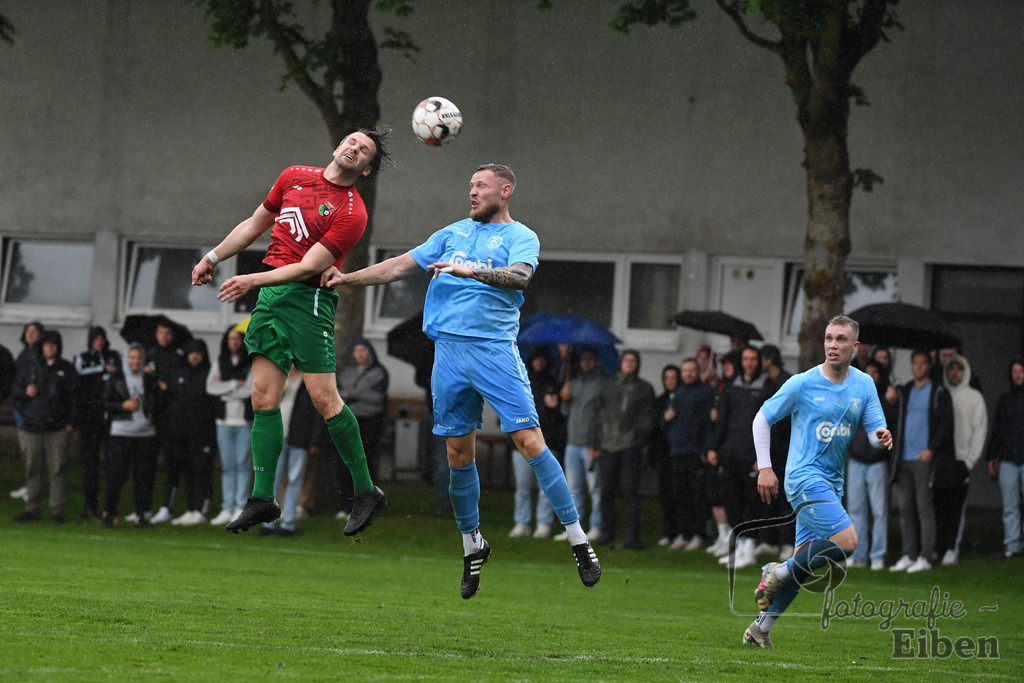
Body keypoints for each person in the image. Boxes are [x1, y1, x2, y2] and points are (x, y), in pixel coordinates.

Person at [327, 163, 601, 598]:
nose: (472, 192)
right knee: (457, 451)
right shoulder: (451, 233)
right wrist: (347, 278)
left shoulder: (520, 237)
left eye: (481, 185)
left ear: (505, 190)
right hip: (448, 353)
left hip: (493, 350)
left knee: (530, 441)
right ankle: (472, 545)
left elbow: (519, 278)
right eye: (470, 185)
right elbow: (399, 265)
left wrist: (469, 272)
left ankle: (578, 540)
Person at [190, 128, 391, 536]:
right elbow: (254, 224)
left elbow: (307, 267)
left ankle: (366, 491)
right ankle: (263, 498)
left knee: (324, 399)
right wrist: (213, 256)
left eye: (364, 151)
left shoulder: (352, 211)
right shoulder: (294, 175)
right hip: (269, 296)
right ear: (338, 146)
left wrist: (250, 280)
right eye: (352, 141)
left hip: (307, 300)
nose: (354, 148)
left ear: (367, 170)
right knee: (263, 397)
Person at [744, 315, 892, 649]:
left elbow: (872, 432)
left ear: (855, 347)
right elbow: (762, 419)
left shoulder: (864, 384)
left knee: (805, 567)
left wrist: (880, 436)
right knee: (848, 542)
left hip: (831, 484)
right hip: (803, 478)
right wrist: (766, 468)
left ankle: (759, 629)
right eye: (828, 338)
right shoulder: (803, 383)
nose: (832, 345)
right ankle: (775, 571)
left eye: (841, 339)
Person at [889, 349, 954, 574]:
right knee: (906, 508)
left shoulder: (938, 391)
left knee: (924, 508)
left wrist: (931, 450)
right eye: (915, 363)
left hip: (923, 459)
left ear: (928, 366)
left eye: (922, 363)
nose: (918, 367)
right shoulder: (905, 390)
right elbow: (893, 417)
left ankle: (926, 556)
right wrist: (890, 398)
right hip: (903, 458)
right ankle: (909, 554)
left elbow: (946, 425)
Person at [708, 345, 767, 569]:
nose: (749, 363)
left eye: (753, 359)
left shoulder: (767, 389)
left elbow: (772, 425)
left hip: (753, 454)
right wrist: (714, 447)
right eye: (746, 359)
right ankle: (739, 546)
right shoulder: (731, 388)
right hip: (731, 453)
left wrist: (763, 456)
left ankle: (750, 547)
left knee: (751, 502)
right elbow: (722, 420)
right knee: (732, 499)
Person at [590, 350, 656, 550]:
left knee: (630, 492)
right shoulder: (608, 386)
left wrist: (638, 435)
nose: (629, 364)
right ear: (620, 363)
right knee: (606, 491)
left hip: (631, 447)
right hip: (608, 445)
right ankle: (606, 533)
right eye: (626, 360)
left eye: (633, 361)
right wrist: (595, 442)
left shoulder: (644, 388)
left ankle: (631, 537)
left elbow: (649, 417)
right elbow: (597, 415)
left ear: (638, 364)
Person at [12, 330, 78, 524]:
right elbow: (15, 391)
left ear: (59, 347)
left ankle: (57, 510)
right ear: (42, 346)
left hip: (57, 429)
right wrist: (25, 392)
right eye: (47, 344)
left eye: (54, 344)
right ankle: (32, 509)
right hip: (32, 427)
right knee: (33, 469)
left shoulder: (66, 369)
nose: (50, 347)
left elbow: (74, 398)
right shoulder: (30, 366)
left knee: (57, 470)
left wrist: (71, 424)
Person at [101, 344, 160, 529]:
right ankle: (108, 513)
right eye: (132, 357)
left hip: (146, 432)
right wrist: (122, 406)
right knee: (117, 473)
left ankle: (140, 516)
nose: (135, 361)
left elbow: (158, 402)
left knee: (144, 476)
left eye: (138, 358)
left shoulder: (149, 379)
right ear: (127, 359)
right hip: (121, 431)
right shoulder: (116, 377)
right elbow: (105, 402)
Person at [845, 360, 896, 570]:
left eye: (875, 372)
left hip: (877, 462)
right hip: (856, 460)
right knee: (855, 510)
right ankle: (858, 555)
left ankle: (877, 555)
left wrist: (891, 404)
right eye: (868, 372)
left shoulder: (887, 401)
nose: (871, 376)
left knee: (879, 511)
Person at [936, 354, 987, 566]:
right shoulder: (941, 394)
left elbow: (980, 430)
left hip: (961, 461)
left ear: (964, 372)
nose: (953, 373)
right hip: (942, 460)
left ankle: (951, 549)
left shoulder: (975, 398)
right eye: (950, 369)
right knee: (940, 507)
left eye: (958, 369)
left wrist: (970, 461)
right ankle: (939, 547)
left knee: (957, 508)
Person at [163, 339, 219, 526]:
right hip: (181, 434)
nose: (194, 356)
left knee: (202, 471)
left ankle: (202, 509)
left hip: (203, 433)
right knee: (187, 471)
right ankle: (191, 508)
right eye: (191, 352)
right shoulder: (180, 373)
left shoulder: (210, 374)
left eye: (198, 353)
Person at [660, 358, 714, 550]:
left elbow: (709, 425)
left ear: (698, 372)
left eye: (692, 370)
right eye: (685, 371)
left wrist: (705, 448)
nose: (688, 374)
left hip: (696, 452)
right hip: (678, 452)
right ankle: (684, 533)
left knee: (697, 496)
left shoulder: (706, 393)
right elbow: (664, 424)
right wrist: (666, 418)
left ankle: (699, 535)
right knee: (679, 495)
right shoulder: (677, 394)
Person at [336, 338, 390, 520]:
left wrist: (351, 393)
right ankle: (346, 504)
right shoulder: (346, 372)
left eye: (363, 350)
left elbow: (377, 398)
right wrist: (357, 395)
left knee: (367, 463)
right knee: (347, 463)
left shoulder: (379, 373)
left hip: (370, 423)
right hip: (350, 421)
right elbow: (338, 394)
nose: (360, 354)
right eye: (357, 351)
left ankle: (367, 503)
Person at [261, 370, 319, 536]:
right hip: (277, 435)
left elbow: (317, 412)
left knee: (294, 479)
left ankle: (288, 523)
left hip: (300, 438)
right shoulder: (278, 378)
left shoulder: (309, 381)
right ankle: (269, 522)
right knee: (273, 479)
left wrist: (314, 440)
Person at [207, 326, 254, 527]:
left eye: (237, 339)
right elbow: (210, 387)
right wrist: (234, 384)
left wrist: (224, 388)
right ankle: (227, 507)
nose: (233, 342)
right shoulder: (219, 362)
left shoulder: (251, 363)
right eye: (230, 338)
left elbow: (249, 391)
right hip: (223, 422)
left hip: (243, 422)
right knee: (228, 466)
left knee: (243, 464)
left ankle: (240, 506)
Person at [509, 346, 558, 538]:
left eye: (543, 358)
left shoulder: (553, 383)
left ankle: (543, 523)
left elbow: (558, 418)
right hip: (521, 442)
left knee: (546, 487)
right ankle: (522, 522)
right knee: (522, 487)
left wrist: (555, 406)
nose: (539, 361)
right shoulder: (519, 382)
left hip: (546, 442)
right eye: (536, 358)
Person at [557, 346, 605, 542]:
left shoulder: (602, 384)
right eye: (583, 360)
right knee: (572, 489)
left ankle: (596, 526)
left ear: (596, 362)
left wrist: (597, 443)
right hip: (572, 443)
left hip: (590, 445)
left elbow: (602, 417)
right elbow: (565, 412)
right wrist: (564, 398)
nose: (586, 363)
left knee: (595, 488)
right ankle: (574, 528)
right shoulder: (573, 383)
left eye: (590, 360)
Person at [73, 326, 121, 519]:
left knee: (112, 464)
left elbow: (120, 374)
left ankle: (109, 507)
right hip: (89, 420)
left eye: (102, 338)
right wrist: (102, 370)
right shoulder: (82, 357)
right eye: (95, 339)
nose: (99, 342)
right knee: (89, 464)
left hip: (110, 419)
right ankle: (90, 505)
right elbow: (80, 374)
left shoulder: (113, 356)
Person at [145, 321, 186, 523]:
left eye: (168, 333)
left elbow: (177, 386)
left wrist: (166, 385)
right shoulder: (149, 355)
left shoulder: (178, 357)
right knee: (147, 464)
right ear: (156, 334)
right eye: (161, 332)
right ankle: (144, 507)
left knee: (171, 465)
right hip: (152, 418)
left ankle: (167, 506)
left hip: (171, 419)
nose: (164, 336)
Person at [986, 359, 1024, 559]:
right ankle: (1012, 544)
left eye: (1021, 371)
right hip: (1008, 458)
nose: (1018, 375)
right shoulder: (1005, 400)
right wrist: (992, 456)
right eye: (1015, 372)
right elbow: (997, 430)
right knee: (1010, 505)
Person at [8, 321, 45, 502]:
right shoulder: (23, 355)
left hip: (36, 409)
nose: (30, 334)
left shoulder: (42, 355)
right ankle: (29, 485)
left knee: (35, 450)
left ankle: (34, 488)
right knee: (26, 450)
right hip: (21, 408)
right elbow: (16, 382)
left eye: (34, 331)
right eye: (28, 331)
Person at [654, 364, 681, 546]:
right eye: (667, 378)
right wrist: (665, 418)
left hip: (679, 453)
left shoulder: (683, 398)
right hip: (664, 454)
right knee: (665, 495)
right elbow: (656, 429)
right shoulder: (660, 401)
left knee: (678, 494)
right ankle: (668, 532)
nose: (670, 382)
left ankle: (680, 532)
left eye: (673, 378)